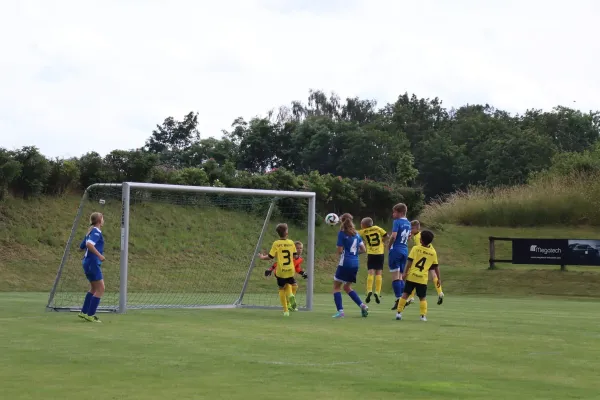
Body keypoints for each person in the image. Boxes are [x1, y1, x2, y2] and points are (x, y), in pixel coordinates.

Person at [395, 230, 440, 322]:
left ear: (421, 240)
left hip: (412, 276)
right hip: (422, 279)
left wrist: (405, 273)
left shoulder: (415, 248)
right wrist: (438, 278)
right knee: (422, 298)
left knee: (405, 295)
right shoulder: (433, 253)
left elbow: (409, 262)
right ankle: (423, 316)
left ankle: (399, 313)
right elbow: (436, 267)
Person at [332, 213, 369, 318]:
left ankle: (340, 311)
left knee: (336, 287)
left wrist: (345, 251)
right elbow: (363, 249)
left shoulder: (342, 233)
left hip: (345, 263)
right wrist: (354, 253)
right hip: (355, 263)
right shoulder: (357, 234)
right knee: (347, 287)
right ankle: (363, 306)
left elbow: (340, 251)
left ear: (342, 221)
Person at [259, 223, 298, 317]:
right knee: (291, 284)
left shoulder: (276, 243)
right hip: (290, 270)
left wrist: (262, 257)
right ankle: (291, 296)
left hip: (281, 271)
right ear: (286, 232)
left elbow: (270, 256)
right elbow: (295, 256)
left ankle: (285, 311)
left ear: (278, 233)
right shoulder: (291, 242)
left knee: (281, 288)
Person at [406, 220, 444, 306]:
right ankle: (440, 292)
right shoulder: (418, 235)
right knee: (433, 274)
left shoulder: (418, 236)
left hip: (427, 256)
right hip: (431, 254)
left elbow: (422, 247)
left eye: (410, 229)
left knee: (416, 274)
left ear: (415, 228)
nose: (410, 230)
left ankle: (411, 297)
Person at [78, 212, 106, 323]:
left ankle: (84, 312)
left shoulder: (89, 231)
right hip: (92, 262)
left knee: (94, 288)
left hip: (87, 262)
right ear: (100, 220)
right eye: (103, 218)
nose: (103, 220)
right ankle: (91, 315)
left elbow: (82, 246)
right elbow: (89, 244)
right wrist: (99, 255)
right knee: (101, 289)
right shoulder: (96, 231)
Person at [265, 241, 307, 311]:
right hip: (280, 272)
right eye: (297, 248)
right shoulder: (289, 256)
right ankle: (287, 306)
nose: (299, 250)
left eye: (301, 248)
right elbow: (277, 263)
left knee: (295, 286)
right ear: (293, 248)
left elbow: (297, 268)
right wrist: (270, 269)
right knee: (287, 286)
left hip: (288, 273)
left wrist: (303, 273)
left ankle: (289, 304)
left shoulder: (300, 259)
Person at [387, 203, 412, 311]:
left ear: (400, 213)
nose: (393, 214)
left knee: (395, 276)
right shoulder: (408, 223)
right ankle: (405, 298)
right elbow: (409, 236)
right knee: (401, 276)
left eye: (395, 212)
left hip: (396, 249)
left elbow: (394, 235)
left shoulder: (397, 222)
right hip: (405, 250)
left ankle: (399, 299)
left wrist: (389, 245)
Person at [358, 217, 388, 304]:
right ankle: (377, 292)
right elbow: (386, 236)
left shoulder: (363, 232)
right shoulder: (377, 228)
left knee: (371, 272)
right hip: (380, 253)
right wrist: (382, 242)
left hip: (371, 253)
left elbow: (355, 234)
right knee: (379, 273)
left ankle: (369, 290)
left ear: (364, 225)